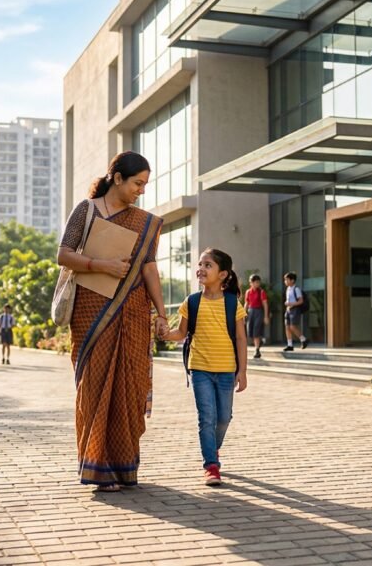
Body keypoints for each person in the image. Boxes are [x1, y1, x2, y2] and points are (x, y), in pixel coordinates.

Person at [57, 151, 168, 492]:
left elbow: (149, 267)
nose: (141, 191)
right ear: (117, 178)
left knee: (129, 385)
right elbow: (63, 254)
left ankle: (123, 465)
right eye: (138, 183)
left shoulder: (144, 222)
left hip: (133, 311)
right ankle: (98, 467)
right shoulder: (86, 211)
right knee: (94, 386)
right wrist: (101, 266)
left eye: (145, 185)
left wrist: (161, 314)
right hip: (92, 310)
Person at [162, 248, 248, 486]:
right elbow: (180, 332)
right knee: (206, 418)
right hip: (199, 368)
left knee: (224, 418)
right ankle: (211, 465)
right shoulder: (192, 302)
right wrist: (162, 334)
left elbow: (241, 338)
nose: (201, 268)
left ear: (223, 274)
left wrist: (242, 371)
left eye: (208, 265)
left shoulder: (233, 303)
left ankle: (213, 448)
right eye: (200, 264)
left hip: (226, 369)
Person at [243, 274, 269, 359]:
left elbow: (265, 304)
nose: (257, 284)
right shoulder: (248, 292)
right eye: (255, 282)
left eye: (258, 282)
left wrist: (265, 316)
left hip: (259, 311)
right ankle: (259, 342)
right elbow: (246, 303)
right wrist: (243, 314)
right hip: (251, 312)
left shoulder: (261, 292)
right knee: (250, 331)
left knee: (256, 331)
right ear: (251, 283)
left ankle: (257, 350)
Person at [283, 272, 307, 351]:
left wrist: (291, 304)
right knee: (287, 327)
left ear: (292, 280)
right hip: (288, 310)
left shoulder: (296, 289)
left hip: (295, 309)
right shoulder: (288, 289)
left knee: (293, 326)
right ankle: (290, 344)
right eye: (285, 280)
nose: (285, 281)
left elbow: (301, 301)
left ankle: (303, 339)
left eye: (287, 280)